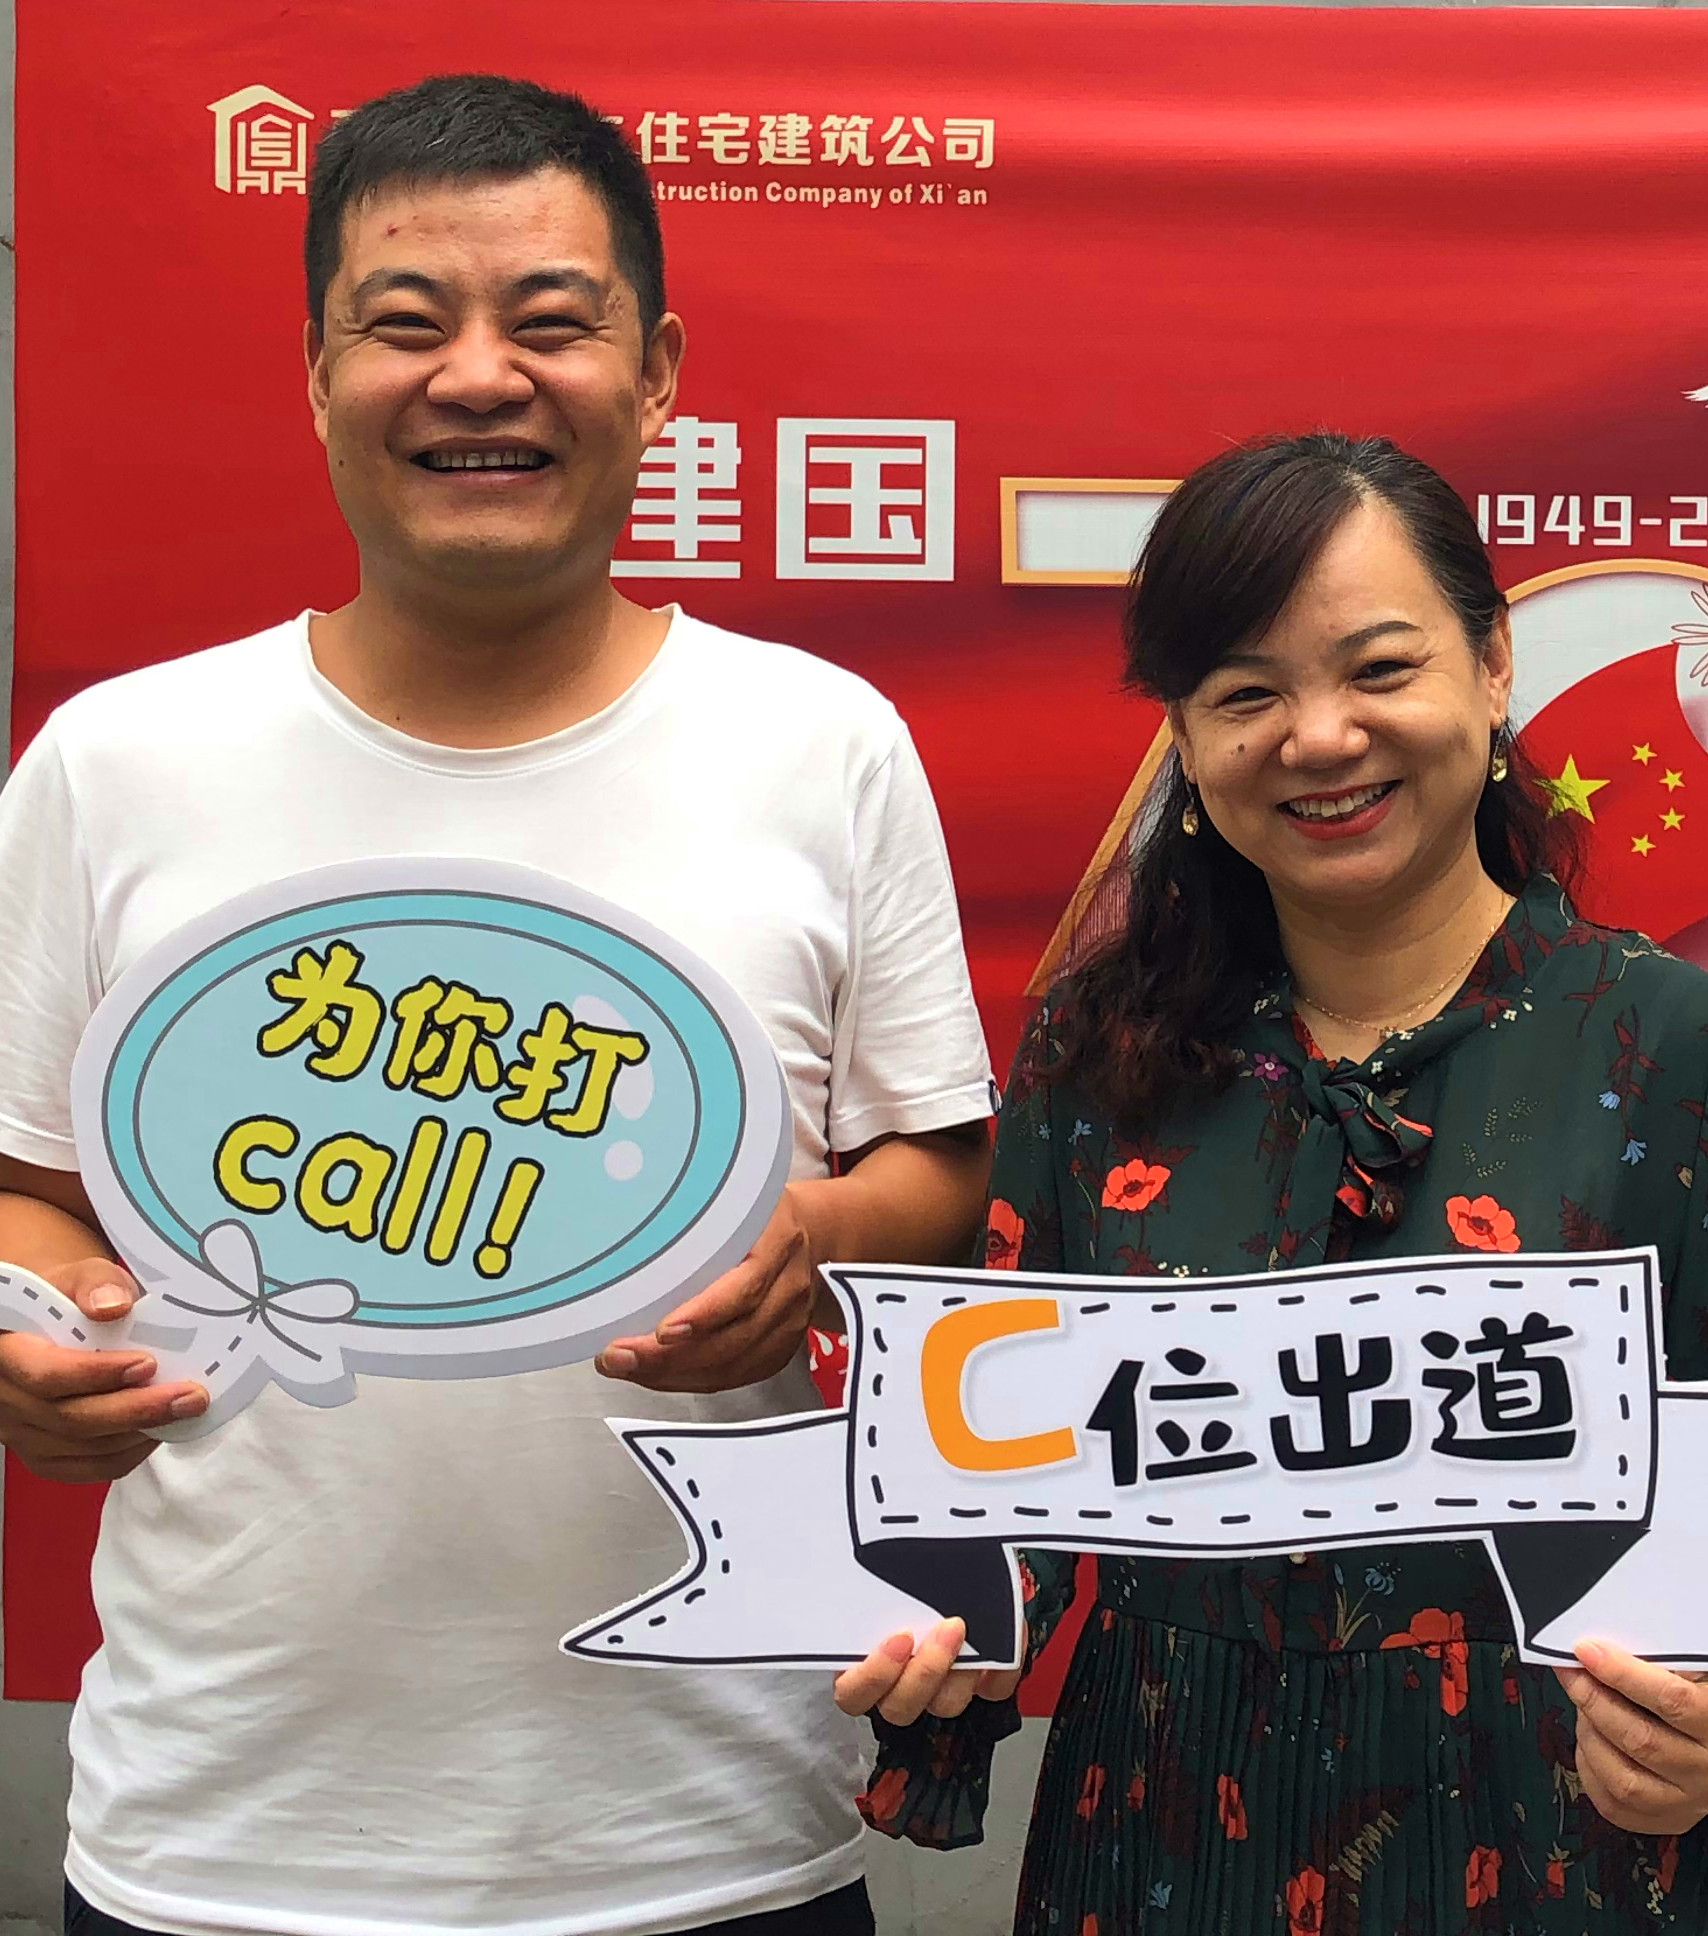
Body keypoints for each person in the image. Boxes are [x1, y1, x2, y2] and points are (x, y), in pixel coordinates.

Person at [0, 76, 998, 1936]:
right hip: (222, 1831)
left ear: (658, 372)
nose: (478, 377)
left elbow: (937, 1168)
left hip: (709, 1829)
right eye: (405, 323)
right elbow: (26, 1187)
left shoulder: (822, 742)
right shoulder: (114, 762)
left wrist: (815, 1239)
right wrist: (36, 1338)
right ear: (318, 375)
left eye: (549, 320)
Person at [832, 433, 1708, 1933]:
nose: (1319, 738)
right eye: (1245, 693)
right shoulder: (1096, 1047)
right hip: (1164, 1829)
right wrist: (952, 1625)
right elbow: (998, 1458)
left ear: (1493, 666)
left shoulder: (1669, 1041)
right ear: (1185, 736)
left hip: (1546, 1836)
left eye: (1380, 669)